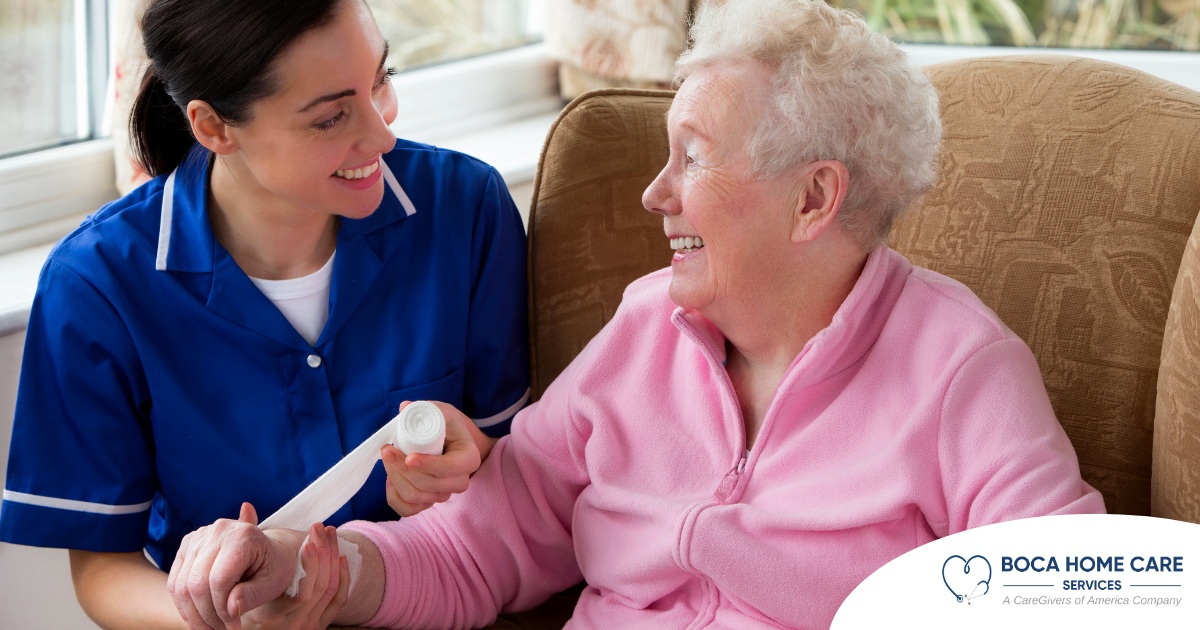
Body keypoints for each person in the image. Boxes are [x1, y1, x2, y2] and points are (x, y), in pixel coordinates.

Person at [169, 1, 1107, 628]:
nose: (655, 194)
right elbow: (476, 547)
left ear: (814, 199)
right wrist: (311, 569)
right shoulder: (644, 329)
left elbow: (1077, 595)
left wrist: (735, 547)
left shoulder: (957, 368)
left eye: (691, 158)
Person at [0, 0, 530, 627]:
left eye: (380, 80)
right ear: (214, 126)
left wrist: (473, 458)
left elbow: (526, 462)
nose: (382, 134)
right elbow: (101, 572)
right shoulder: (96, 286)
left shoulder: (464, 209)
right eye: (331, 117)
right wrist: (231, 623)